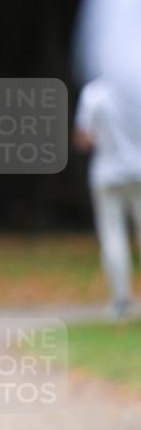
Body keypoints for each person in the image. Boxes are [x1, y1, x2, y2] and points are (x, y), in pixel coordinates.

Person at [73, 76, 141, 319]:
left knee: (113, 236)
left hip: (107, 173)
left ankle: (121, 301)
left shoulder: (94, 93)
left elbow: (83, 138)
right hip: (138, 171)